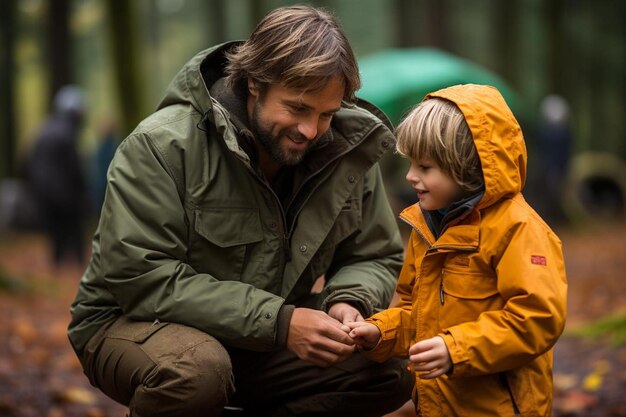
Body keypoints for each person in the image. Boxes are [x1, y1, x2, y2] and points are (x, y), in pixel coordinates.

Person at [68, 6, 413, 417]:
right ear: (253, 83)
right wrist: (281, 323)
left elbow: (373, 254)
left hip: (260, 336)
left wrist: (349, 300)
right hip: (131, 323)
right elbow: (140, 277)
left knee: (387, 368)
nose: (311, 130)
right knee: (195, 373)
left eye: (326, 114)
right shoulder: (161, 146)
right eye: (298, 108)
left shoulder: (348, 149)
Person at [347, 84, 568, 417]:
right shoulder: (427, 229)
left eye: (425, 167)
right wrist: (380, 331)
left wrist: (457, 349)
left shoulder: (518, 230)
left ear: (466, 167)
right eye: (410, 164)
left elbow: (536, 319)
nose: (410, 177)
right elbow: (415, 312)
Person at [27, 84, 87, 268]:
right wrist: (82, 190)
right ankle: (77, 265)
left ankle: (57, 264)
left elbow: (31, 163)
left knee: (55, 233)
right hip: (64, 194)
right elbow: (74, 167)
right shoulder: (67, 134)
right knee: (74, 228)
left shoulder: (44, 131)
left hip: (44, 192)